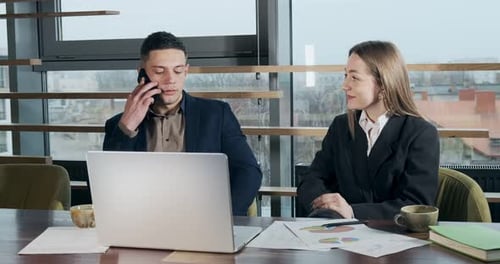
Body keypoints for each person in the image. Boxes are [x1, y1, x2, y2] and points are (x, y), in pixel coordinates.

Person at [103, 31, 262, 216]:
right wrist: (127, 128)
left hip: (204, 218)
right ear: (142, 74)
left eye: (177, 70)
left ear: (186, 71)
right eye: (159, 71)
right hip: (141, 220)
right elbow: (106, 186)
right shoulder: (118, 125)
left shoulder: (216, 115)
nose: (171, 80)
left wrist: (223, 217)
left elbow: (248, 172)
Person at [297, 40, 439, 220]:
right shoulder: (341, 127)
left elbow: (417, 204)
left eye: (354, 77)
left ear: (383, 84)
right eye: (345, 75)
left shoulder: (420, 134)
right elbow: (312, 179)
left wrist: (352, 212)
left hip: (396, 239)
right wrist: (329, 207)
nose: (344, 85)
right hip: (341, 236)